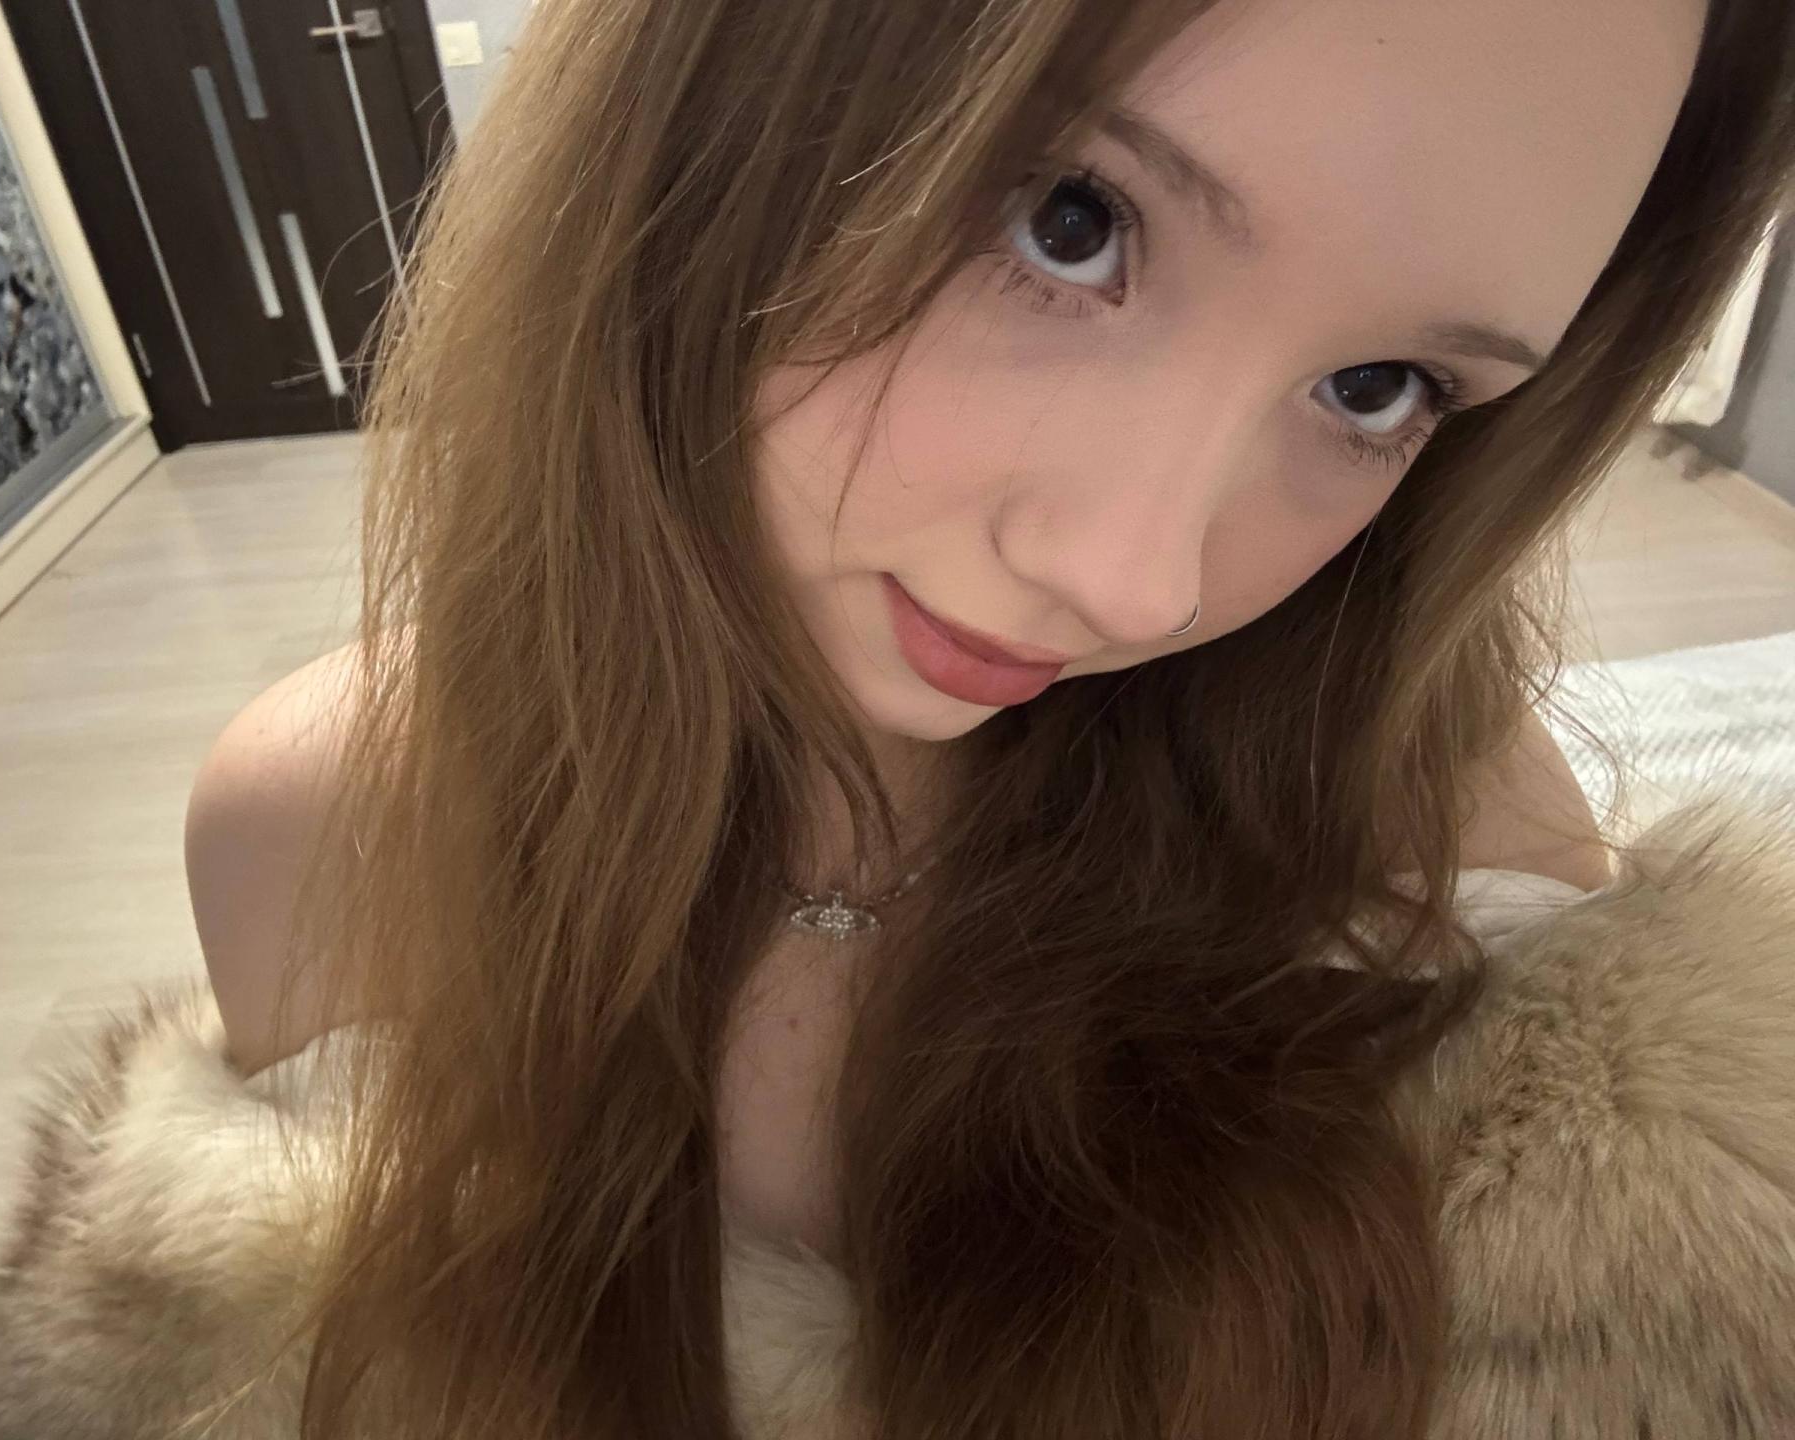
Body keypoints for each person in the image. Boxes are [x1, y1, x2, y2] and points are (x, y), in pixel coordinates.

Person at [170, 0, 1795, 1434]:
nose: (1139, 582)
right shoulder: (338, 827)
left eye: (1378, 389)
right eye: (1071, 223)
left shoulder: (1421, 809)